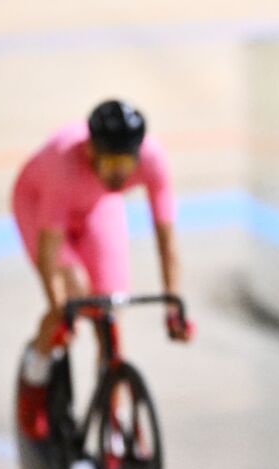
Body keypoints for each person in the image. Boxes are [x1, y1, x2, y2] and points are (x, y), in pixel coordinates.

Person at [12, 100, 187, 441]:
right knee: (73, 290)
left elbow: (167, 241)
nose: (119, 174)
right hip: (39, 204)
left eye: (125, 163)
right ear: (90, 150)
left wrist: (173, 307)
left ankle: (113, 412)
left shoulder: (152, 160)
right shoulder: (63, 165)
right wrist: (58, 307)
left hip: (95, 206)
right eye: (109, 163)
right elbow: (49, 250)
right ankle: (34, 378)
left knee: (110, 307)